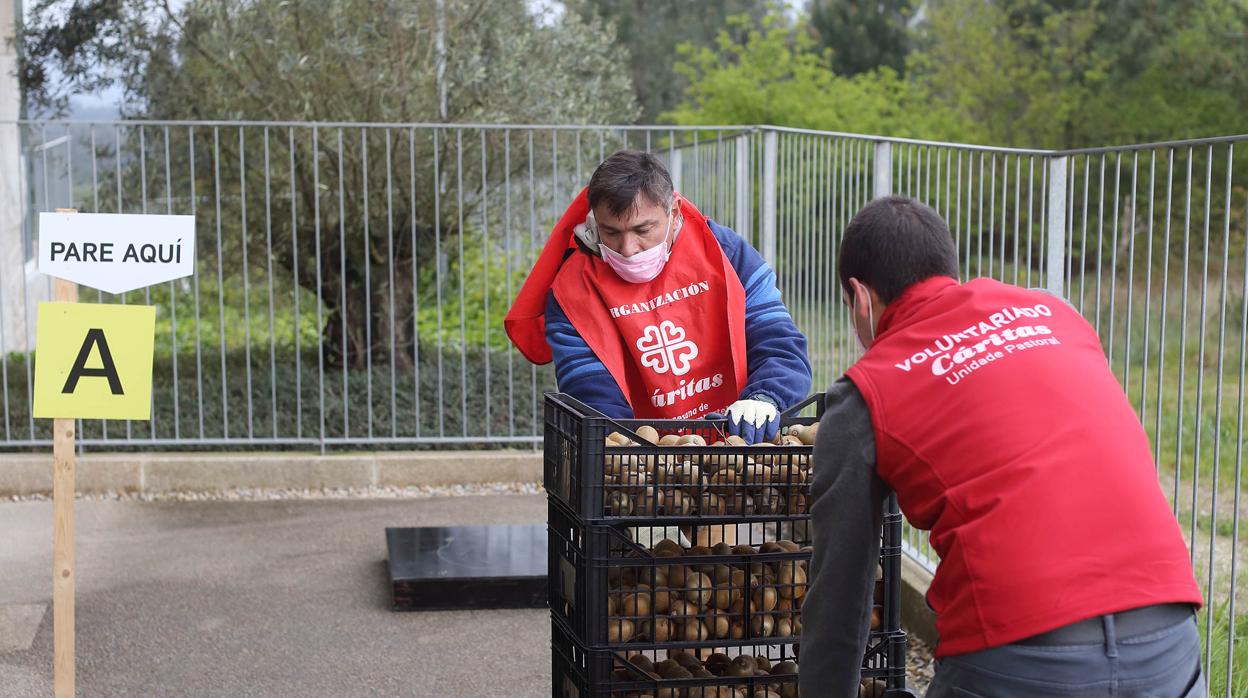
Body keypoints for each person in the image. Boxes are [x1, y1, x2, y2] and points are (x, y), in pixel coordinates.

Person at [801, 196, 1204, 698]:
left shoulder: (865, 394)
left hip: (1020, 654)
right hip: (1170, 634)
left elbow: (839, 599)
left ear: (860, 298)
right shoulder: (1056, 314)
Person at [505, 150, 811, 443]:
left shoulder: (727, 255)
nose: (628, 248)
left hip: (737, 445)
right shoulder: (573, 292)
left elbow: (778, 342)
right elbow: (590, 390)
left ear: (674, 213)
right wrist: (631, 458)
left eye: (643, 229)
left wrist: (765, 397)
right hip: (645, 466)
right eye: (611, 232)